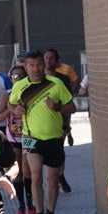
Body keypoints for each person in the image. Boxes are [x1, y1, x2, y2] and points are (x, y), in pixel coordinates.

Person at [7, 49, 75, 214]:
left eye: (38, 65)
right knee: (35, 176)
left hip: (53, 138)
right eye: (31, 65)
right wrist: (16, 109)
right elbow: (11, 105)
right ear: (25, 67)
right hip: (30, 138)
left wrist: (57, 107)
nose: (35, 68)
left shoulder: (56, 84)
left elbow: (73, 107)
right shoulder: (19, 86)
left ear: (43, 65)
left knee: (52, 181)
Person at [0, 64, 34, 214]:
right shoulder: (7, 95)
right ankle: (21, 204)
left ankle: (30, 201)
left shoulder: (31, 93)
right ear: (11, 79)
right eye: (14, 76)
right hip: (13, 137)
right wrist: (11, 109)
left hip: (29, 136)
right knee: (17, 171)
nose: (17, 79)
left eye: (21, 76)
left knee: (27, 170)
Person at [43, 49, 74, 191]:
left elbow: (69, 104)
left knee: (58, 148)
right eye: (46, 58)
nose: (48, 61)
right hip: (40, 122)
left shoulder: (63, 79)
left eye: (51, 58)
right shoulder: (38, 79)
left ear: (57, 61)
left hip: (60, 120)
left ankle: (59, 175)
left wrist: (66, 125)